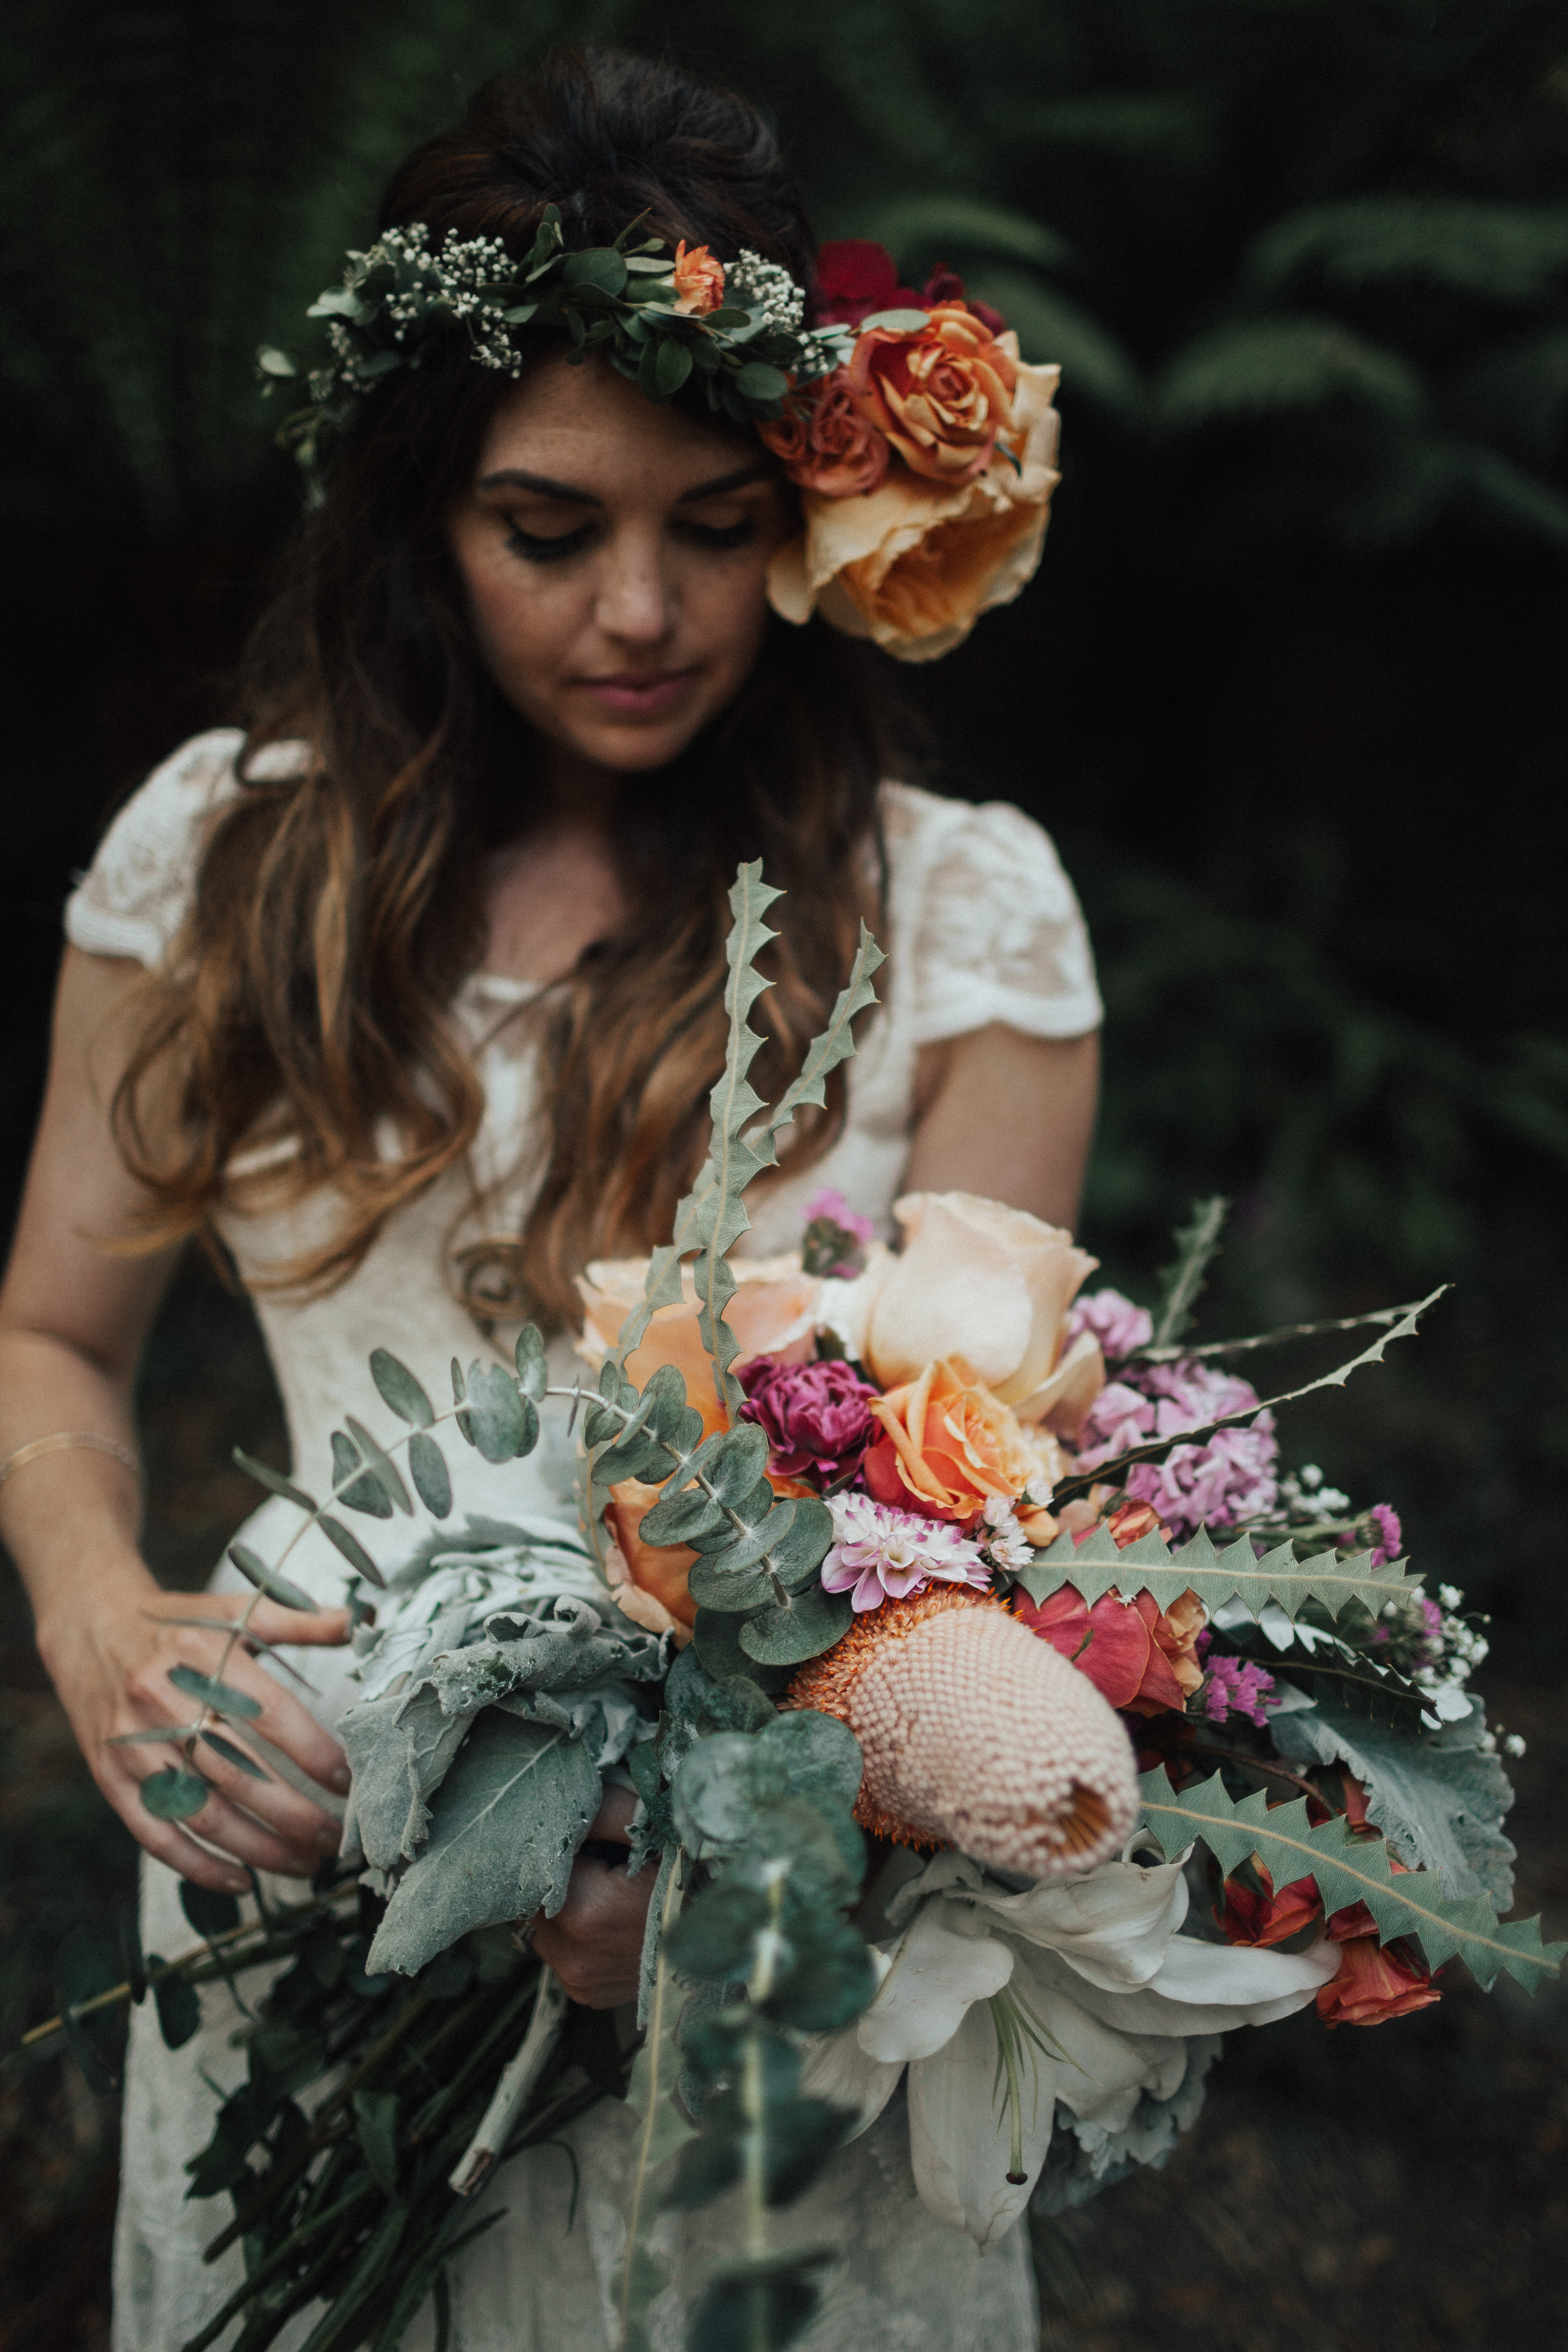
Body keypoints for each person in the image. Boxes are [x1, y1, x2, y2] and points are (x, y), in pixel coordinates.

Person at [0, 44, 1101, 2352]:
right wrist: (104, 1619)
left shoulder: (965, 916)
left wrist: (756, 1858)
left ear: (810, 510)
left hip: (773, 1883)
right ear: (418, 515)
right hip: (292, 1822)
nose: (643, 610)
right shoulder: (222, 862)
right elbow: (52, 1338)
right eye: (548, 526)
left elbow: (1004, 1525)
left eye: (715, 523)